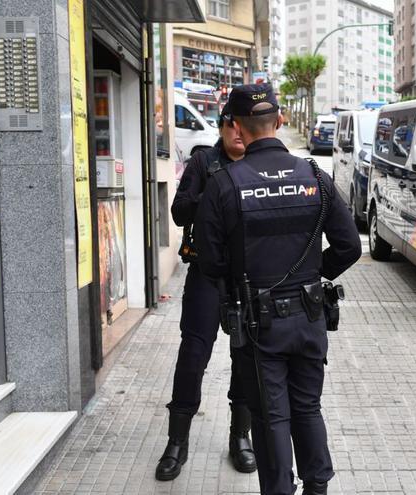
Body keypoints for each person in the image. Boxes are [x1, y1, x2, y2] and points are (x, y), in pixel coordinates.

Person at [194, 84, 362, 495]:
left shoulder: (224, 184)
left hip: (256, 324)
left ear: (235, 125)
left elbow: (210, 262)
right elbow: (351, 247)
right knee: (308, 407)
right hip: (309, 317)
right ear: (280, 122)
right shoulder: (314, 177)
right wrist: (312, 277)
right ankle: (318, 488)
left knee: (271, 417)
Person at [155, 102, 257, 481]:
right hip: (204, 275)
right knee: (193, 355)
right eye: (231, 125)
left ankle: (240, 438)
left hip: (246, 280)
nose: (237, 133)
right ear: (223, 127)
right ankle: (176, 443)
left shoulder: (258, 165)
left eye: (243, 126)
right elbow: (180, 211)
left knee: (245, 357)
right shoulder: (202, 163)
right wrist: (214, 195)